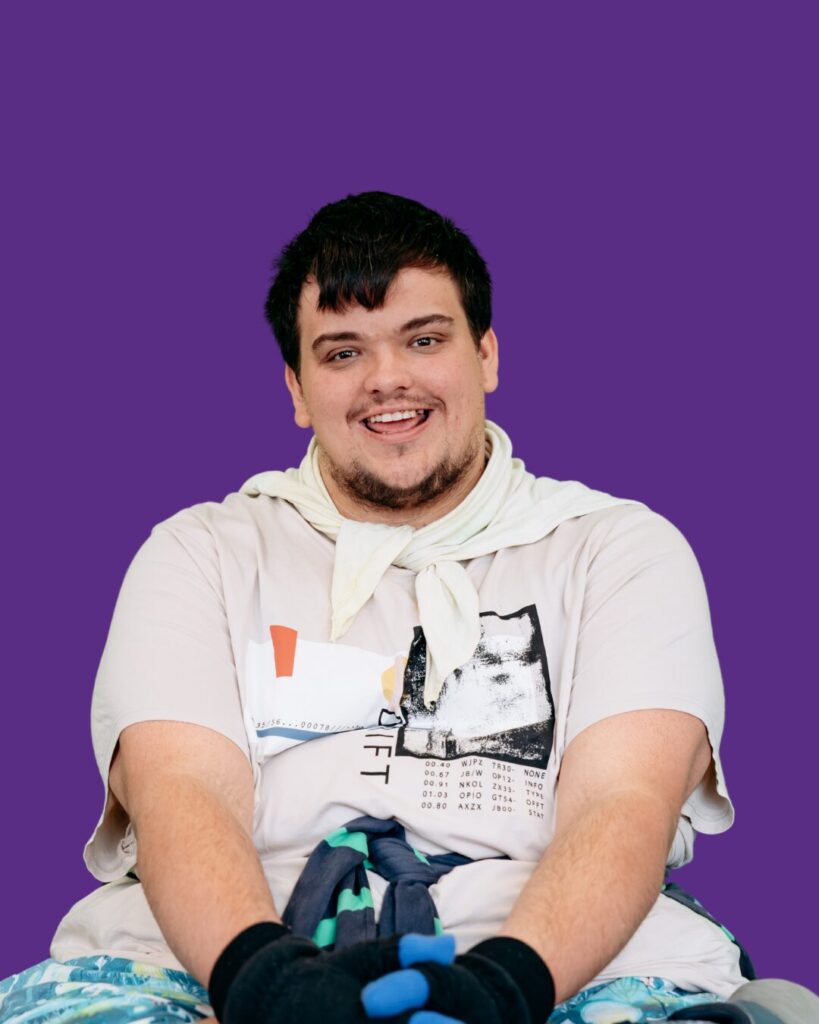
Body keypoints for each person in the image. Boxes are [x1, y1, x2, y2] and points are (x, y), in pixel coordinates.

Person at [1, 192, 815, 1024]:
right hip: (213, 967)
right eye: (342, 351)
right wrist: (267, 988)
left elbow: (626, 801)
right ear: (295, 387)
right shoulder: (200, 554)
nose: (387, 377)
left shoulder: (616, 551)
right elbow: (179, 792)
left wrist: (499, 993)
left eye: (424, 340)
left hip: (559, 971)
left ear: (486, 354)